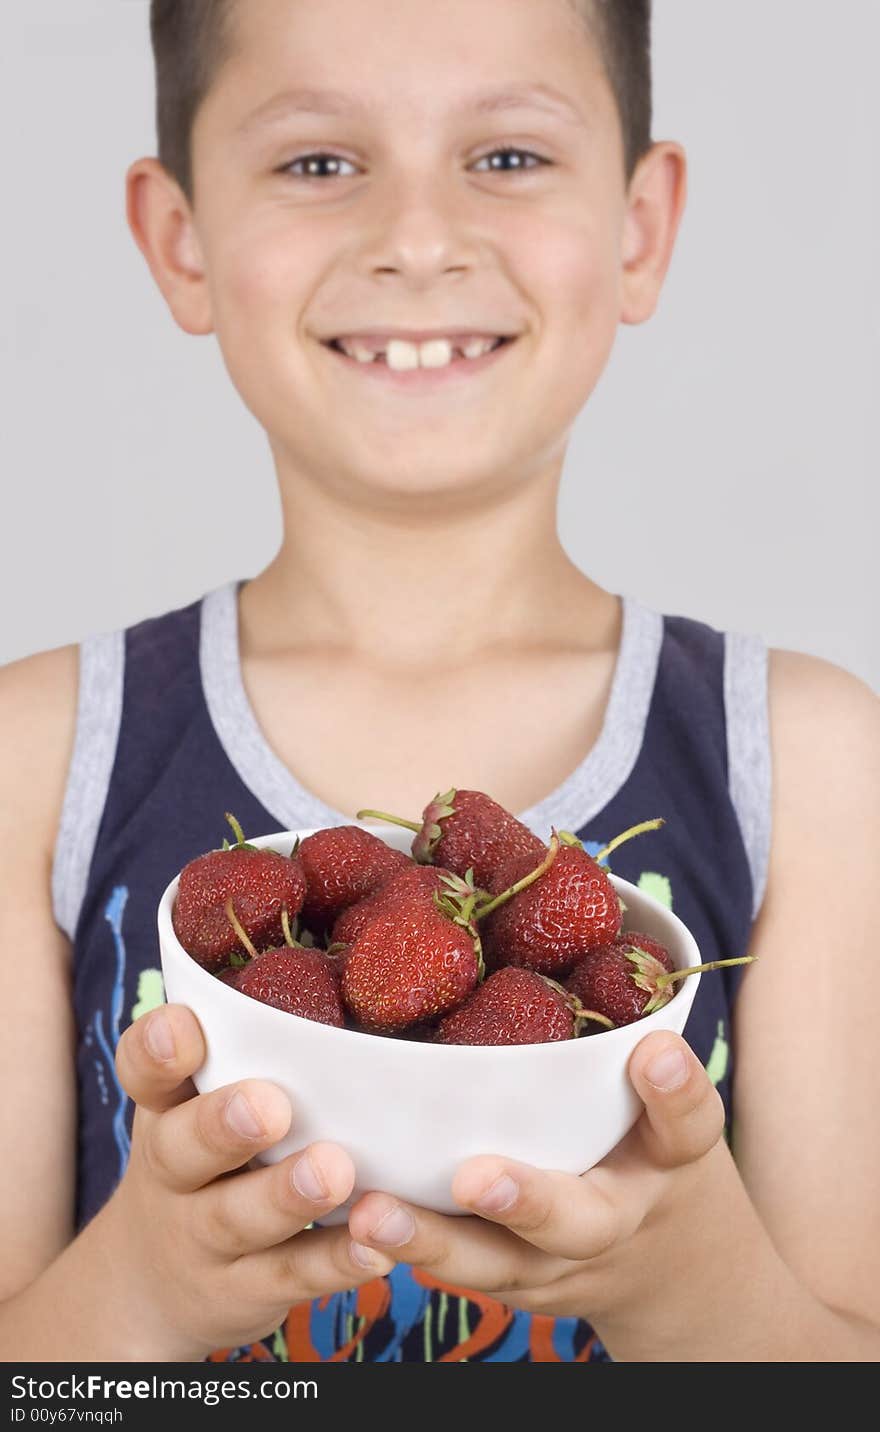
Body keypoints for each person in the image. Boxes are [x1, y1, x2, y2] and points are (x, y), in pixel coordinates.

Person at [1, 0, 877, 1363]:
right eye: (318, 162)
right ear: (180, 242)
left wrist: (689, 1288)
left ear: (641, 226)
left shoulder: (806, 762)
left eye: (510, 157)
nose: (417, 238)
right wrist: (150, 1290)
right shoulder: (39, 756)